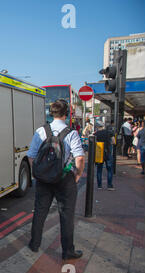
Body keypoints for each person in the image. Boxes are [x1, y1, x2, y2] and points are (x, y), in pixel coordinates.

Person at [27, 99, 85, 260]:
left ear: (51, 113)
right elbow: (79, 158)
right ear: (66, 114)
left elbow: (31, 156)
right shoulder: (71, 133)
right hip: (65, 179)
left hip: (43, 179)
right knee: (66, 215)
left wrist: (38, 173)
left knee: (39, 211)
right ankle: (68, 251)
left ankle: (34, 244)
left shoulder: (41, 131)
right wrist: (77, 175)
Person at [94, 121, 115, 190]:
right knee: (109, 169)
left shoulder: (95, 134)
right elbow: (114, 141)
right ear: (103, 126)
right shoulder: (109, 132)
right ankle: (109, 185)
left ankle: (99, 185)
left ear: (97, 127)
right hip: (108, 152)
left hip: (99, 153)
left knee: (99, 170)